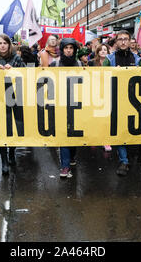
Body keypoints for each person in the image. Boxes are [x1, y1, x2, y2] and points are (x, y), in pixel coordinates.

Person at [0, 34, 26, 175]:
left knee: (15, 126)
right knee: (2, 128)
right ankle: (3, 159)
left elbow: (25, 76)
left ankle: (12, 152)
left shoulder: (17, 58)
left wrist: (14, 70)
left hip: (15, 99)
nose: (2, 45)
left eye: (5, 43)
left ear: (9, 44)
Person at [103, 30, 141, 176]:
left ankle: (132, 153)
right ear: (116, 42)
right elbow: (102, 77)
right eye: (120, 39)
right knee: (119, 130)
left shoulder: (138, 59)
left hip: (134, 100)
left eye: (126, 39)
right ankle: (124, 160)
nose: (124, 42)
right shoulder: (109, 59)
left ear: (131, 41)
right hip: (116, 100)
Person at [49, 38, 82, 178]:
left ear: (74, 50)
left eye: (71, 48)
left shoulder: (79, 64)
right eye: (66, 48)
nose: (69, 50)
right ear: (62, 49)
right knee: (64, 135)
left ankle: (72, 157)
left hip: (75, 103)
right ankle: (65, 166)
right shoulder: (55, 64)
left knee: (73, 135)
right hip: (60, 103)